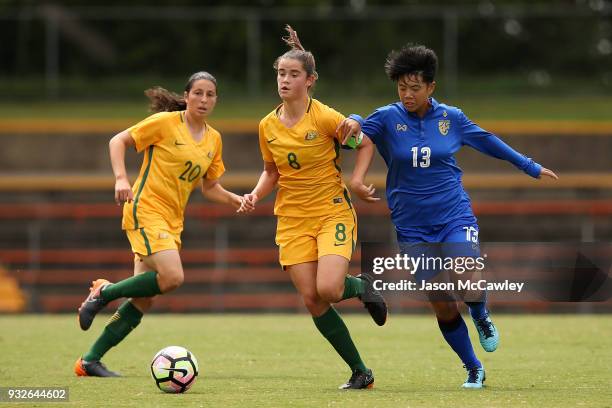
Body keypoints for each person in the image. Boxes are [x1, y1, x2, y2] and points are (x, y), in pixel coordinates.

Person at [346, 44, 558, 389]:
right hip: (411, 224)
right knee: (442, 304)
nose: (408, 94)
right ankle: (474, 367)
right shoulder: (385, 117)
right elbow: (353, 138)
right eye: (402, 87)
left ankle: (480, 314)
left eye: (415, 87)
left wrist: (529, 166)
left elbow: (487, 141)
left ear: (431, 87)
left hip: (452, 212)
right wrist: (354, 119)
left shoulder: (451, 118)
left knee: (466, 273)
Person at [239, 25, 387, 390]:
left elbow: (364, 144)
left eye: (292, 74)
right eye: (280, 73)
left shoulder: (323, 118)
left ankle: (363, 287)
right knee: (312, 297)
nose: (284, 80)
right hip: (291, 219)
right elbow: (271, 170)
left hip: (331, 211)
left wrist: (356, 180)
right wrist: (256, 193)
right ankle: (360, 372)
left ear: (310, 80)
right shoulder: (267, 125)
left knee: (331, 289)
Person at [74, 71, 250, 377]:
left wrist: (237, 199)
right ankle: (104, 291)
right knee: (172, 277)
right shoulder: (166, 123)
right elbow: (118, 140)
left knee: (144, 300)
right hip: (146, 210)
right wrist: (120, 178)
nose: (204, 99)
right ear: (187, 95)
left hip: (172, 221)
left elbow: (209, 188)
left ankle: (89, 361)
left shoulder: (214, 139)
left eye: (210, 94)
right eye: (198, 93)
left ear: (216, 100)